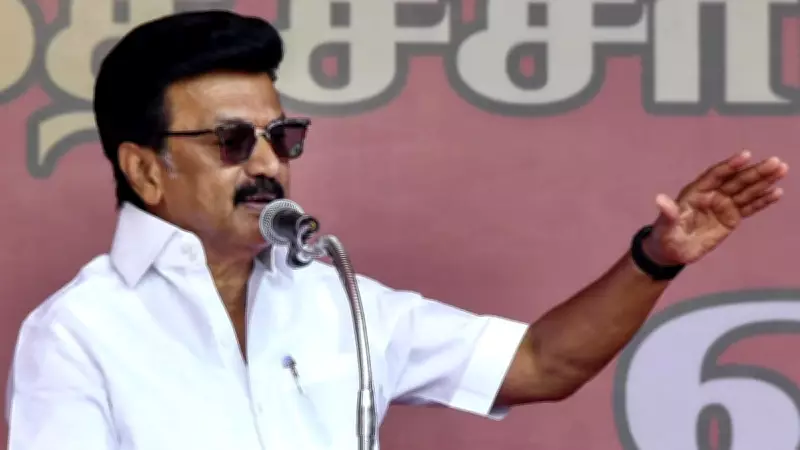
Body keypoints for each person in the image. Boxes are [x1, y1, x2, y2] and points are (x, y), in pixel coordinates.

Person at [5, 10, 788, 450]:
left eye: (283, 136)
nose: (269, 164)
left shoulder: (339, 299)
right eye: (233, 142)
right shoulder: (77, 333)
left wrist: (655, 258)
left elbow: (542, 363)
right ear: (145, 171)